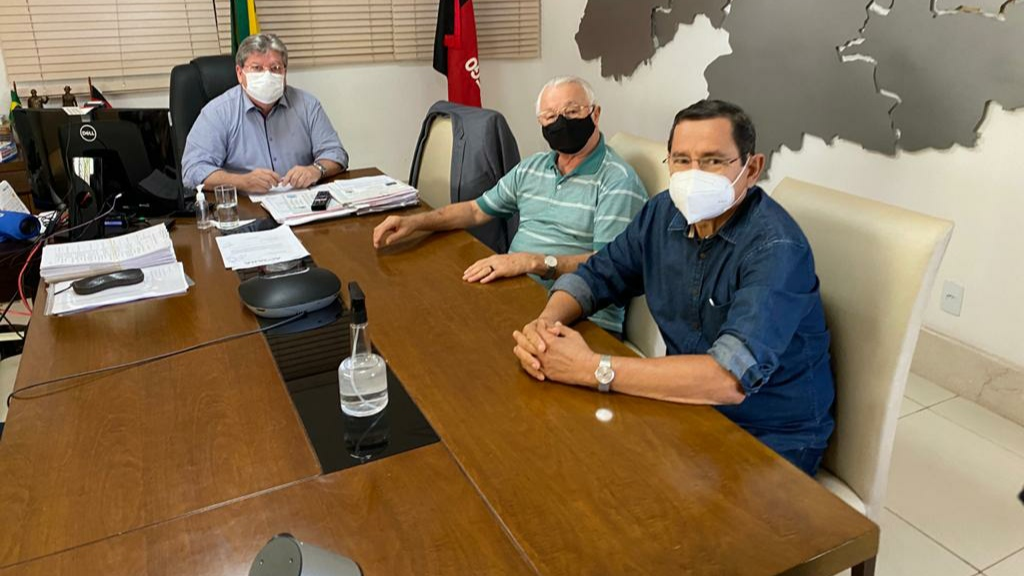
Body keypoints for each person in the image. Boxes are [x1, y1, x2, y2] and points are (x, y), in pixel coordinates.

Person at [512, 100, 835, 476]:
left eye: (713, 161)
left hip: (769, 437)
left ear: (752, 168)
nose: (693, 174)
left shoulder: (775, 247)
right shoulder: (662, 212)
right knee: (559, 456)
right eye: (682, 160)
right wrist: (545, 329)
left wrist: (591, 368)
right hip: (685, 407)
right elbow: (596, 276)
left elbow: (728, 380)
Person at [373, 76, 647, 335]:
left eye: (572, 111)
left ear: (595, 114)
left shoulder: (617, 181)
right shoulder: (533, 167)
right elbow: (475, 210)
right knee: (427, 315)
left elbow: (608, 265)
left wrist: (534, 261)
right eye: (550, 116)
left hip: (583, 320)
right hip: (517, 296)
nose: (561, 122)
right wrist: (415, 222)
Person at [181, 33, 348, 193]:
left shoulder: (307, 105)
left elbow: (336, 153)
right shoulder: (218, 112)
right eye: (257, 68)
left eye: (275, 68)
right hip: (244, 206)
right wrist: (242, 182)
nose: (267, 76)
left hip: (299, 201)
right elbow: (193, 170)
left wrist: (316, 170)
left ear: (285, 72)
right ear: (239, 73)